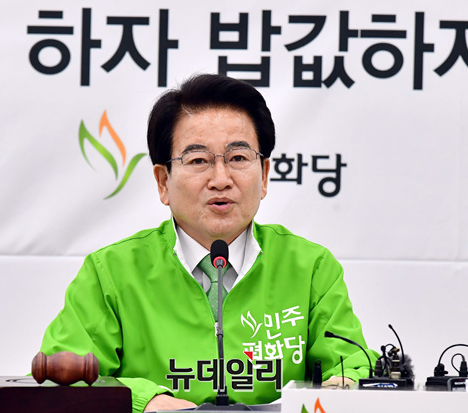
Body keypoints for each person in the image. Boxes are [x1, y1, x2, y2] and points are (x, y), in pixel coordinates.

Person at [39, 74, 376, 412]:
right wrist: (145, 401)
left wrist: (339, 390)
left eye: (238, 158)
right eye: (198, 160)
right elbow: (57, 383)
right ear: (163, 181)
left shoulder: (310, 268)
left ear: (264, 175)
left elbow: (353, 366)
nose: (221, 179)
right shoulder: (112, 273)